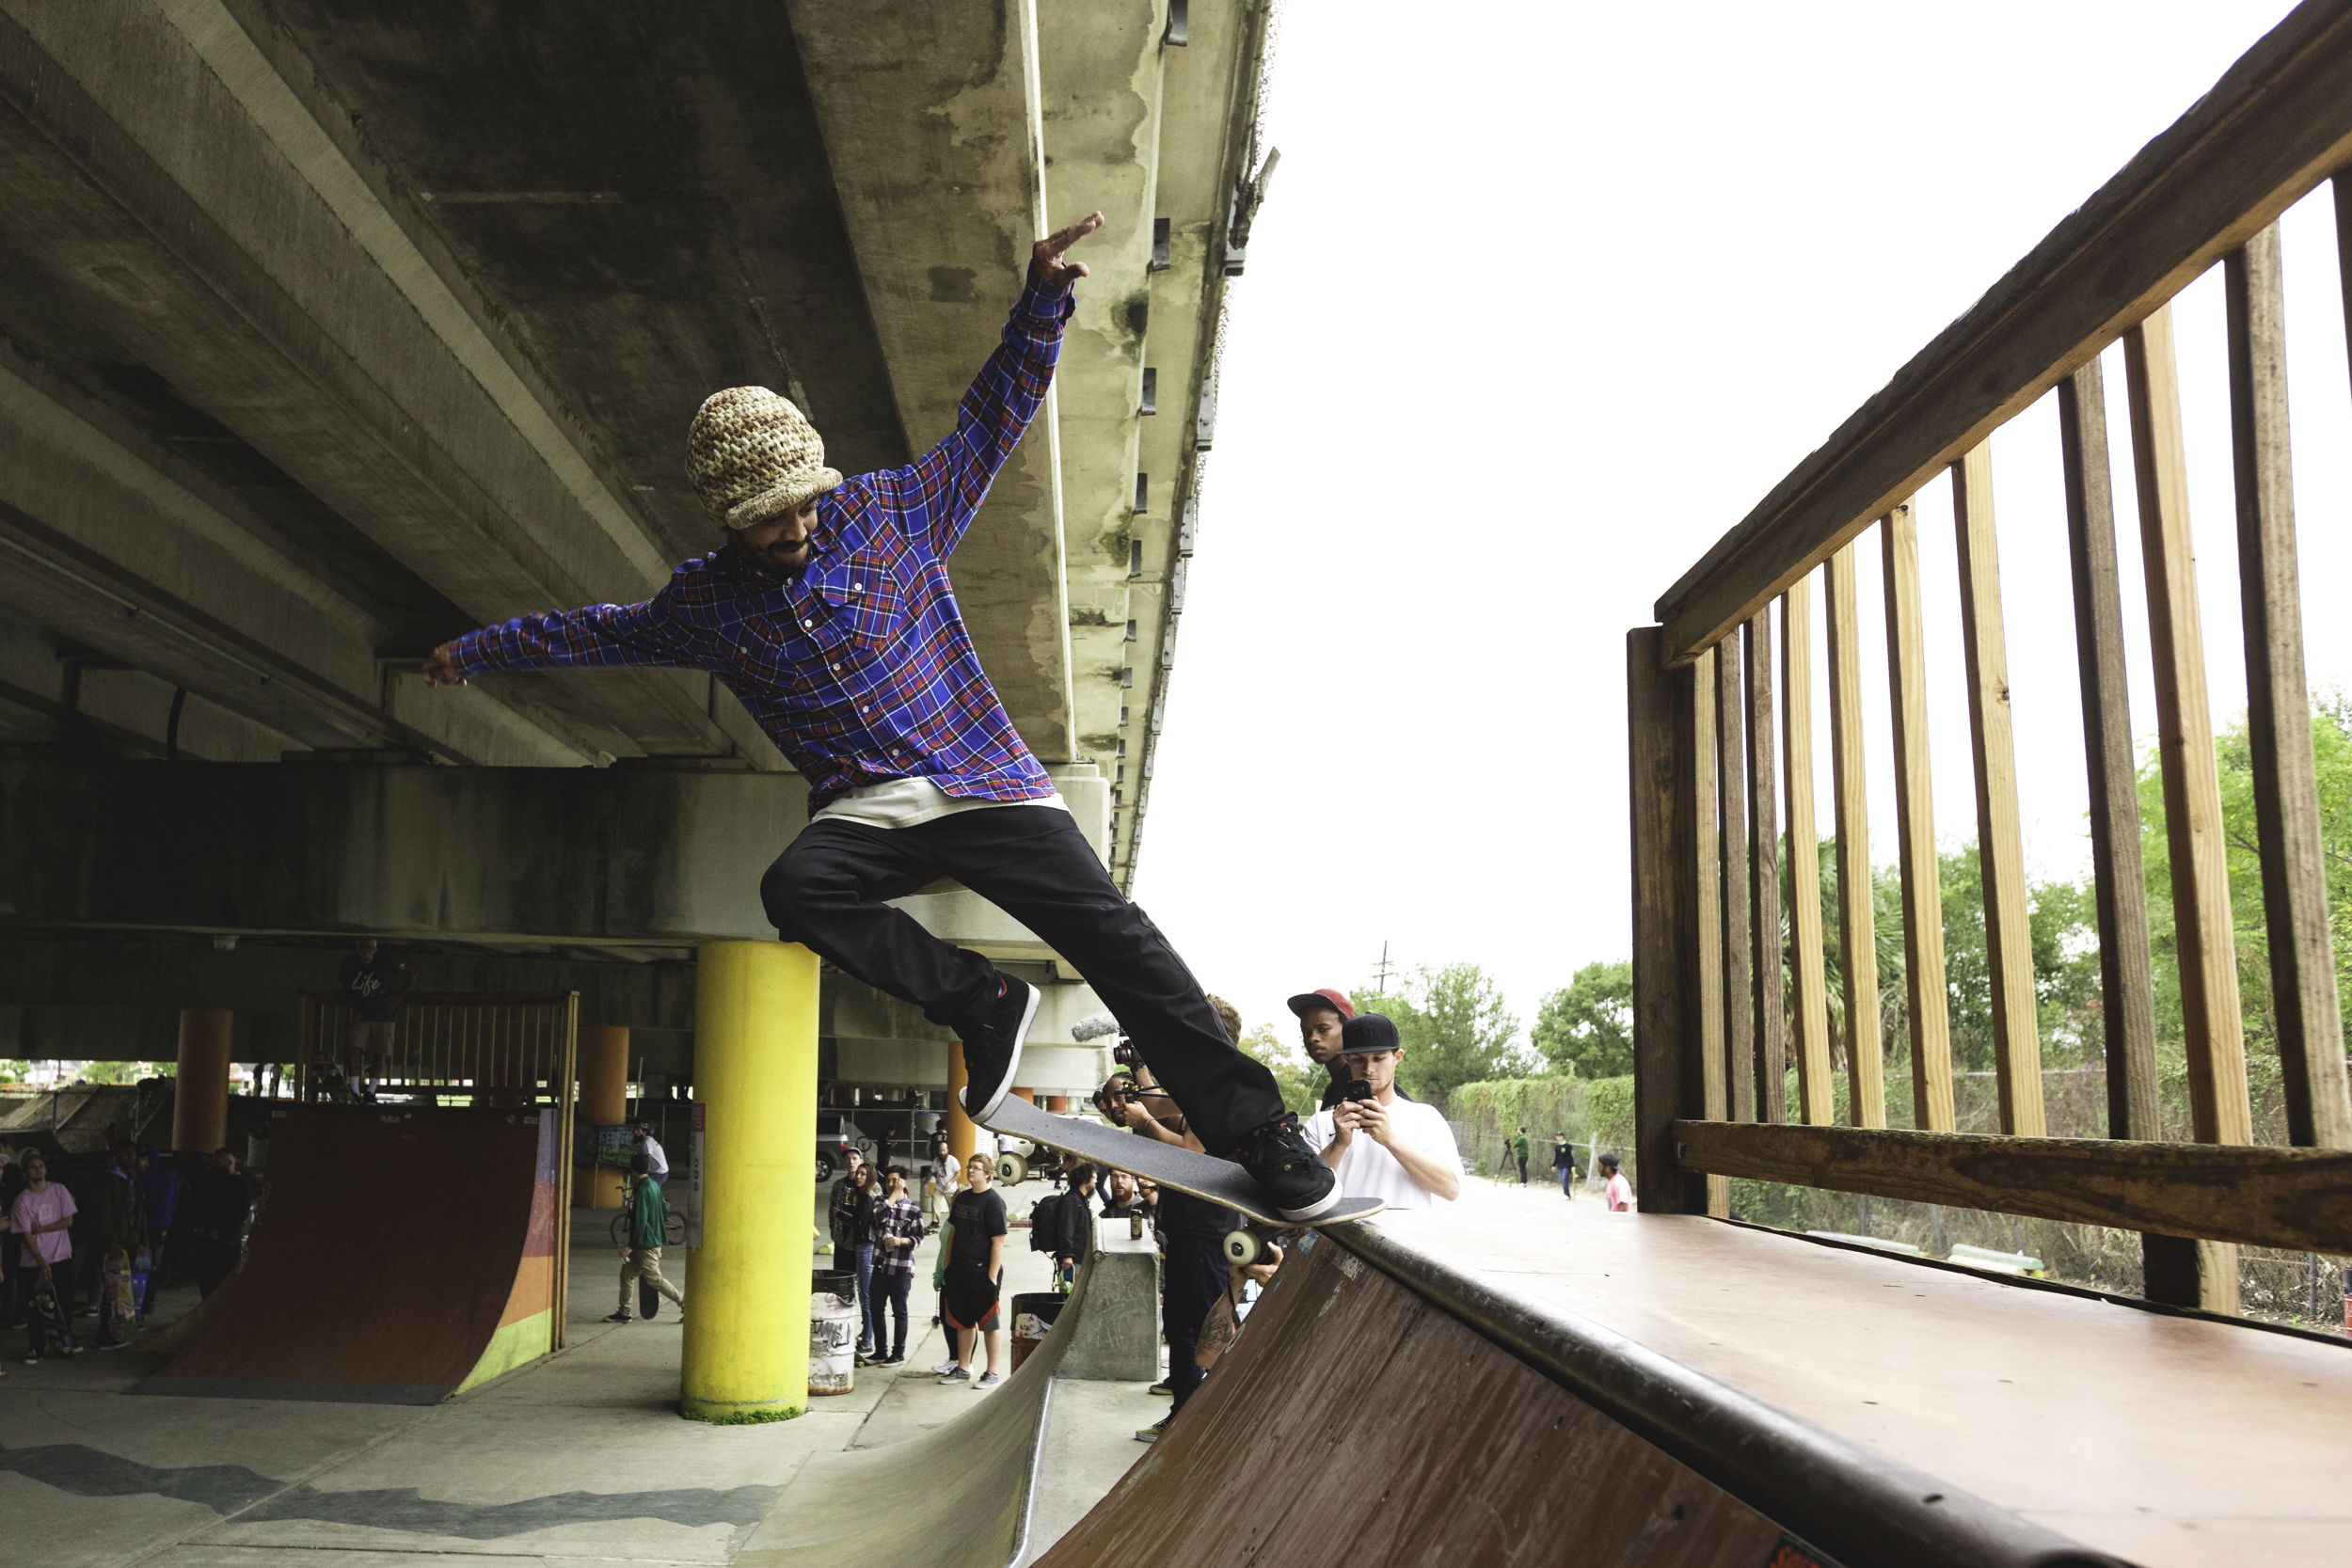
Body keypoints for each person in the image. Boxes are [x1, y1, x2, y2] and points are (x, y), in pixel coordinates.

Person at [420, 214, 1334, 1225]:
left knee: (1119, 940)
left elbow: (990, 422)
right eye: (772, 517)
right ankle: (981, 998)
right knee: (795, 887)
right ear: (727, 515)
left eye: (805, 503)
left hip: (982, 777)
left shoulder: (893, 511)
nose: (798, 525)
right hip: (868, 808)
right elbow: (597, 632)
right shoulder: (704, 604)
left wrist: (1042, 300)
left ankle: (1260, 1129)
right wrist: (479, 650)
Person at [1303, 1015, 1462, 1210]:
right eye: (1358, 1059)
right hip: (1340, 1229)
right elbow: (1305, 1193)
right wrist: (1338, 1144)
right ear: (1346, 1060)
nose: (1368, 1069)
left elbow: (1450, 1189)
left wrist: (1390, 1139)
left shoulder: (1426, 1117)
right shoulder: (1321, 1122)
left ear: (1397, 1057)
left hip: (1403, 1229)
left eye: (1378, 1058)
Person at [939, 1152, 1007, 1388]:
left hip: (982, 1273)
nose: (970, 1170)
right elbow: (953, 1232)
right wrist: (947, 1263)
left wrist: (991, 1276)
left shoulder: (993, 1202)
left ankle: (992, 1372)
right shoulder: (962, 1198)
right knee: (962, 1322)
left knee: (989, 1323)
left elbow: (999, 1240)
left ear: (987, 1174)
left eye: (976, 1168)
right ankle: (963, 1367)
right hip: (959, 1271)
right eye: (969, 1166)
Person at [607, 1156, 686, 1323]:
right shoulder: (653, 1185)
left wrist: (631, 1246)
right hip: (648, 1241)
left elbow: (640, 1220)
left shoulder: (642, 1189)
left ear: (634, 1170)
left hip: (647, 1244)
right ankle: (624, 1312)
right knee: (626, 1275)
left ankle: (684, 1302)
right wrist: (655, 1224)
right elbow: (664, 1209)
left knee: (653, 1278)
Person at [338, 939, 412, 1101]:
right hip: (362, 1014)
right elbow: (345, 988)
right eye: (363, 952)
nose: (366, 955)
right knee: (354, 1049)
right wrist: (355, 1009)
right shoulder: (349, 964)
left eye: (369, 952)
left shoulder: (387, 961)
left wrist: (400, 996)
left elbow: (412, 972)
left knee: (382, 1053)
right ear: (358, 952)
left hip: (385, 1014)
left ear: (375, 952)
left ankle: (370, 1091)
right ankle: (355, 1090)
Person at [8, 1151, 75, 1323]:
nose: (38, 1169)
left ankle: (67, 1336)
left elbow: (68, 1221)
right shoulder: (22, 1200)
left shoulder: (59, 1190)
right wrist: (41, 1262)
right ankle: (37, 1340)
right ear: (25, 1173)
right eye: (33, 1167)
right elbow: (26, 1235)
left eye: (41, 1166)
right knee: (37, 1307)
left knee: (65, 1302)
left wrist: (41, 1228)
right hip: (35, 1261)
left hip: (61, 1256)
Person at [868, 1168, 925, 1365]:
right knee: (876, 1310)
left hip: (901, 1268)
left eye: (895, 1180)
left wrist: (901, 1241)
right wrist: (893, 1194)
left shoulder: (913, 1210)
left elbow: (919, 1238)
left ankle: (898, 1353)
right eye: (888, 1181)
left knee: (899, 1311)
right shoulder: (880, 1202)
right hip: (881, 1266)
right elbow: (878, 1217)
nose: (890, 1184)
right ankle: (880, 1351)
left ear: (904, 1182)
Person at [189, 1147, 251, 1297]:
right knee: (206, 1278)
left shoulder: (241, 1185)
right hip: (207, 1239)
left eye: (218, 1161)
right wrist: (200, 1226)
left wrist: (222, 1232)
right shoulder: (209, 1180)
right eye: (214, 1160)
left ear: (229, 1163)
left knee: (225, 1280)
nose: (213, 1164)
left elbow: (240, 1213)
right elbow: (199, 1205)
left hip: (227, 1242)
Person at [1286, 989, 1358, 1112]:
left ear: (1348, 1030)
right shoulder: (1334, 1087)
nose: (1313, 1038)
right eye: (1307, 1033)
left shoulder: (1362, 1081)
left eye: (1323, 1029)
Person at [139, 1144, 184, 1312]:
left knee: (140, 1265)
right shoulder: (170, 1174)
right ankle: (149, 1303)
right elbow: (175, 1199)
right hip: (162, 1224)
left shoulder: (140, 1175)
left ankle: (140, 1302)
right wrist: (167, 1217)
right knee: (154, 1266)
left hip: (143, 1225)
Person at [847, 1163, 882, 1359]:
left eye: (863, 1174)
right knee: (863, 1293)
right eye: (858, 1173)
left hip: (867, 1247)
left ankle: (868, 1340)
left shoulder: (868, 1197)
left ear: (870, 1178)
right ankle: (866, 1333)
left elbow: (860, 1224)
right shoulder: (863, 1196)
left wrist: (842, 1215)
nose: (858, 1176)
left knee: (867, 1295)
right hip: (863, 1247)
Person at [632, 1121, 669, 1188]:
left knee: (645, 1188)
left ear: (644, 1132)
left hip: (658, 1173)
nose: (635, 1132)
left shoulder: (647, 1142)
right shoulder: (647, 1140)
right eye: (634, 1130)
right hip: (658, 1171)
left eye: (638, 1130)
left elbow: (646, 1160)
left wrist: (642, 1175)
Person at [1549, 1134, 1578, 1199]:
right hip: (1560, 1165)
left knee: (1564, 1179)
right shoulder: (1557, 1147)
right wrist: (1553, 1165)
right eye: (1557, 1136)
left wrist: (1572, 1165)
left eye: (1560, 1136)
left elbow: (1570, 1156)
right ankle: (1566, 1193)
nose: (1558, 1138)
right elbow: (1556, 1157)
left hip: (1567, 1165)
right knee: (1562, 1180)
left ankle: (1567, 1195)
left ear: (1562, 1137)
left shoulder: (1567, 1146)